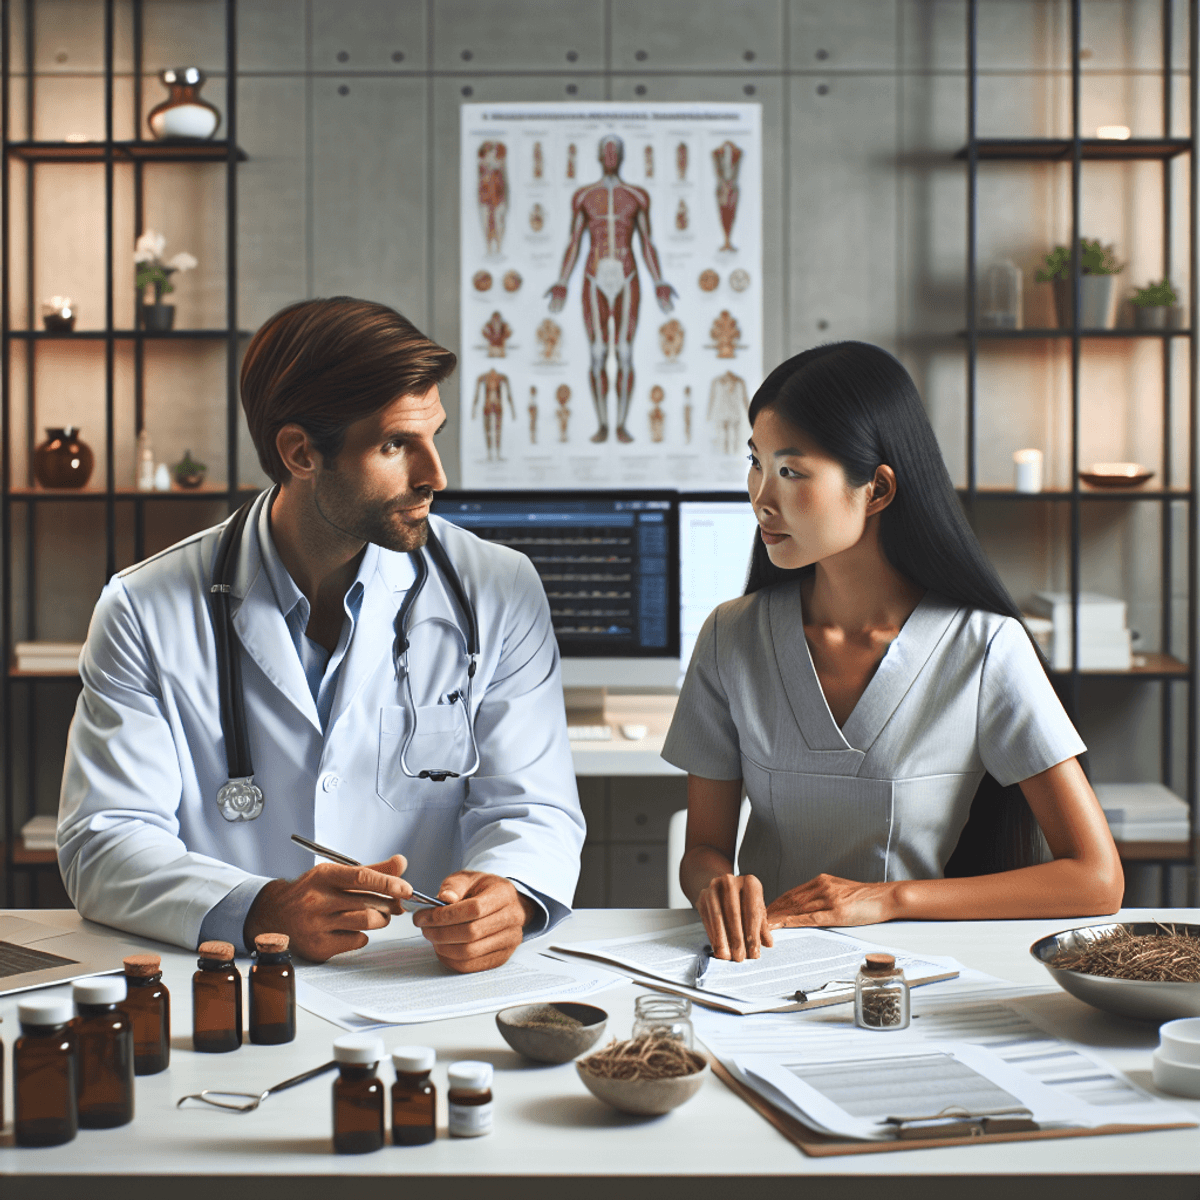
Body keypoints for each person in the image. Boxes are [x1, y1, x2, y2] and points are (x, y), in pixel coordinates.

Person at [58, 298, 585, 971]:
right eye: (396, 445)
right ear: (300, 452)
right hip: (238, 983)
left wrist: (509, 892)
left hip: (423, 986)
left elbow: (533, 808)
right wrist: (260, 908)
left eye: (434, 437)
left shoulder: (498, 590)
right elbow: (104, 839)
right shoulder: (143, 608)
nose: (436, 476)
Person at [662, 342, 1123, 961]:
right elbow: (703, 849)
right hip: (754, 969)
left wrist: (888, 899)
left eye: (792, 471)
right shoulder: (730, 637)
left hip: (908, 979)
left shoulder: (983, 649)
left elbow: (1095, 879)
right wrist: (716, 888)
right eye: (755, 463)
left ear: (876, 490)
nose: (761, 497)